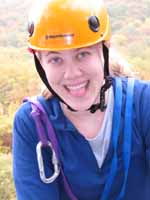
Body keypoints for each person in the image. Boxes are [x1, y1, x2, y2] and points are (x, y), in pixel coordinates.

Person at [12, 0, 150, 200]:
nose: (72, 74)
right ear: (41, 63)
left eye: (82, 54)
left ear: (104, 51)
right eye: (55, 59)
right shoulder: (33, 123)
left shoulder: (143, 104)